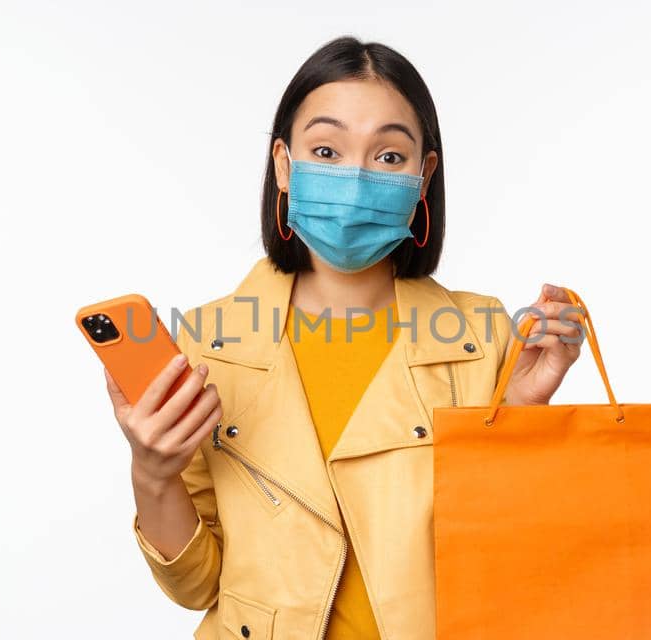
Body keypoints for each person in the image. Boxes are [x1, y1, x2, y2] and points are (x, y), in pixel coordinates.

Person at [105, 36, 586, 639]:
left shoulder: (485, 338)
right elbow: (199, 585)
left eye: (388, 157)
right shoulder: (205, 345)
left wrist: (520, 412)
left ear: (422, 176)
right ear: (283, 164)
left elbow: (510, 561)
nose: (356, 180)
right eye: (326, 150)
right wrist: (152, 473)